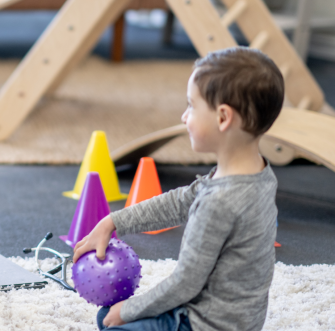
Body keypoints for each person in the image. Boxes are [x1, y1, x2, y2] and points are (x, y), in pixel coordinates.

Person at [74, 47, 285, 331]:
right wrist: (113, 221)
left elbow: (185, 284)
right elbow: (180, 201)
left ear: (223, 117)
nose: (184, 117)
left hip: (202, 324)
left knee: (111, 320)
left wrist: (130, 310)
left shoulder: (221, 202)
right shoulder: (257, 172)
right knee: (108, 316)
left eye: (191, 106)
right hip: (238, 320)